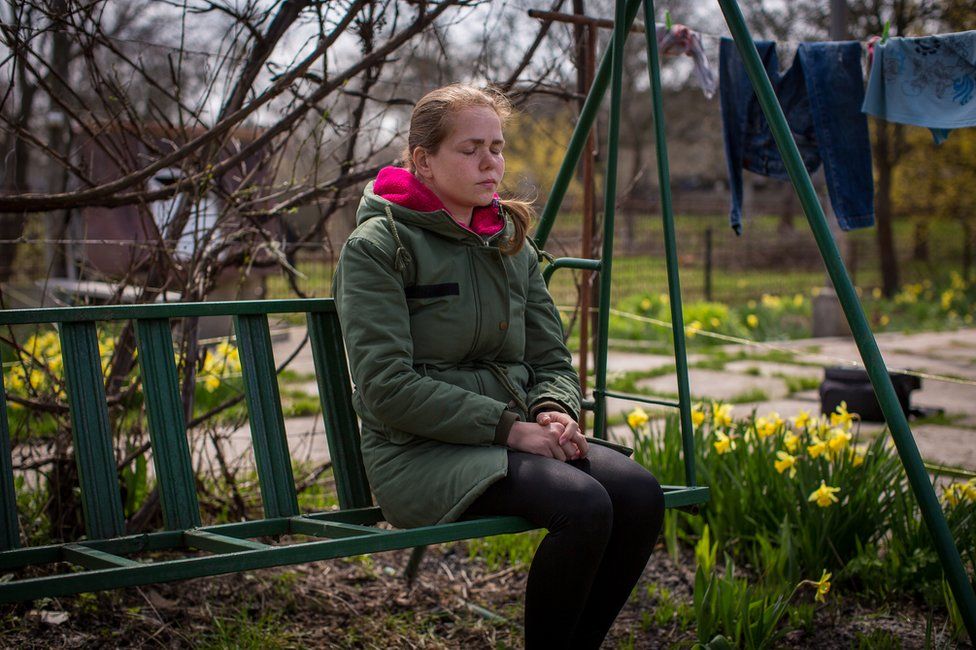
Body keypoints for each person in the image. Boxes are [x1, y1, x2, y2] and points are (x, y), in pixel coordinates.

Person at [332, 84, 665, 649]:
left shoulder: (509, 239)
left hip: (512, 438)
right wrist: (511, 428)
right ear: (423, 161)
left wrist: (555, 409)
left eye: (498, 146)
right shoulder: (378, 247)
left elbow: (549, 356)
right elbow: (387, 388)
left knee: (638, 493)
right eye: (470, 149)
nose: (492, 163)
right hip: (417, 453)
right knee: (582, 506)